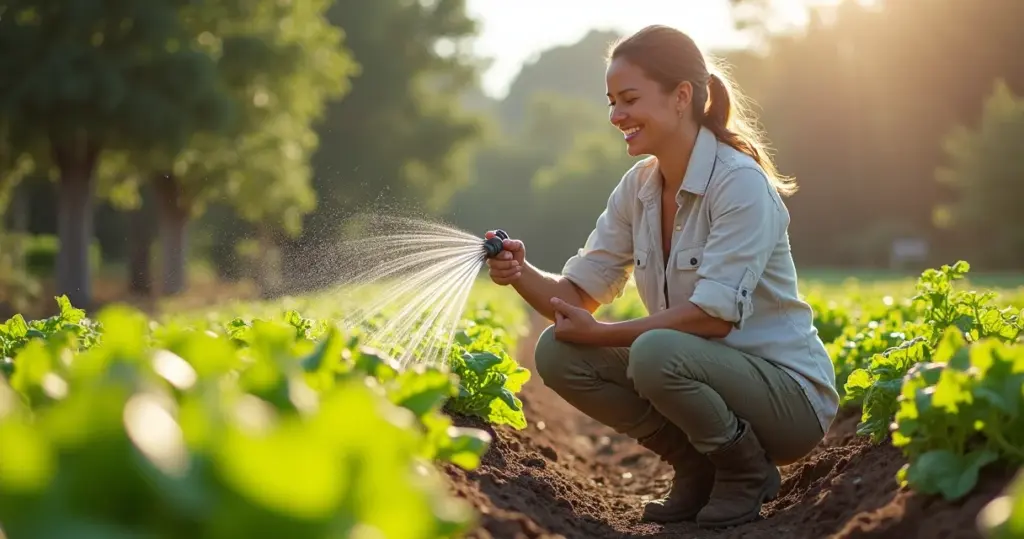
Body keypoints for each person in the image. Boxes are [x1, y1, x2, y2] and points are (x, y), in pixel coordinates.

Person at [483, 24, 839, 529]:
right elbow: (575, 298)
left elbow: (713, 320)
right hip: (697, 376)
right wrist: (518, 271)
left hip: (787, 402)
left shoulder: (739, 184)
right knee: (556, 353)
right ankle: (695, 464)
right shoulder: (639, 188)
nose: (616, 115)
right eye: (611, 102)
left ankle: (744, 473)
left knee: (654, 352)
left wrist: (605, 333)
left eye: (629, 99)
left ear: (681, 97)